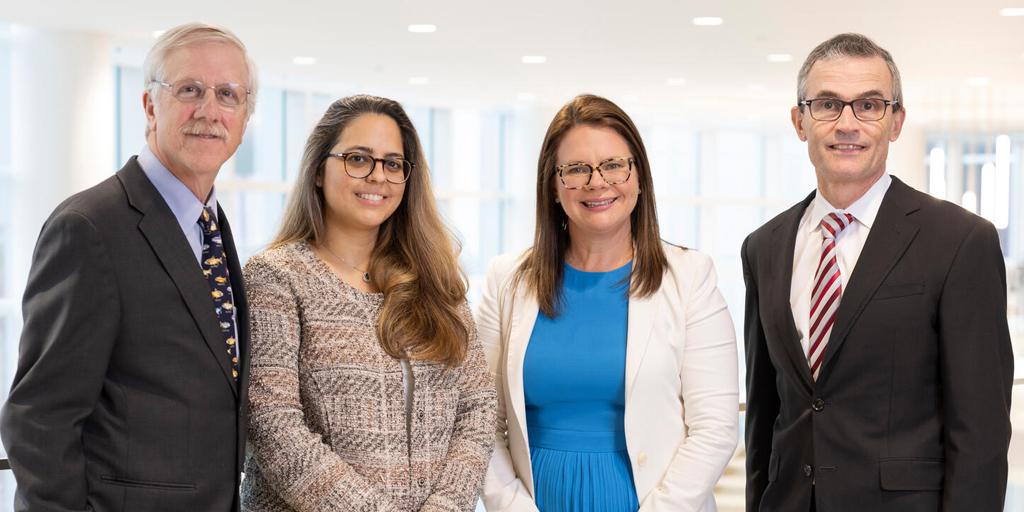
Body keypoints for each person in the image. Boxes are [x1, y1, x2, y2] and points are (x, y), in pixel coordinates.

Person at [743, 33, 1013, 512]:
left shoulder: (959, 241)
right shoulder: (764, 246)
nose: (847, 124)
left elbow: (981, 434)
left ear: (896, 121)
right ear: (799, 121)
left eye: (868, 105)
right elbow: (766, 414)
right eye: (827, 104)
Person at [0, 22, 257, 511]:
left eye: (228, 94)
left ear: (244, 119)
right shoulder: (90, 227)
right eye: (189, 89)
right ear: (148, 106)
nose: (209, 110)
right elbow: (39, 419)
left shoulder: (213, 225)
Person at [478, 94, 738, 512]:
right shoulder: (506, 280)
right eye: (576, 169)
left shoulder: (691, 277)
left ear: (639, 176)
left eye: (614, 165)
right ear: (553, 185)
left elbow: (716, 428)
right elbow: (478, 420)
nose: (597, 182)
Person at [240, 94, 496, 511]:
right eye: (358, 159)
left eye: (393, 163)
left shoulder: (434, 279)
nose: (378, 176)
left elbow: (478, 406)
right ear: (319, 171)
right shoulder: (276, 277)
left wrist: (445, 506)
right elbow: (272, 423)